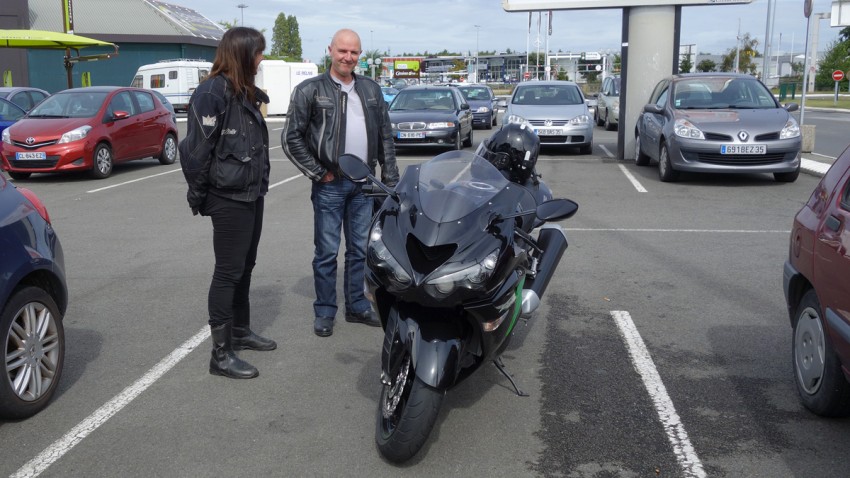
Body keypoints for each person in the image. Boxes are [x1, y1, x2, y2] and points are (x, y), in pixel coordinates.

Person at [283, 28, 399, 337]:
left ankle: (357, 306)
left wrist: (391, 180)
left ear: (360, 55)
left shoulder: (372, 90)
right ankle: (325, 310)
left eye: (354, 52)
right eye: (342, 51)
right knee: (326, 252)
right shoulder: (310, 90)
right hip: (330, 185)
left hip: (364, 185)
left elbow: (386, 138)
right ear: (330, 50)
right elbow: (291, 138)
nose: (348, 57)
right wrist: (319, 172)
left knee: (360, 250)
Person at [178, 27, 276, 379]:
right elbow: (195, 153)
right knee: (228, 272)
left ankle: (239, 332)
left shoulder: (245, 91)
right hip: (228, 197)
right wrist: (200, 196)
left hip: (251, 193)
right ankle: (220, 355)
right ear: (242, 54)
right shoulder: (211, 92)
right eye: (258, 53)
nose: (261, 60)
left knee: (245, 267)